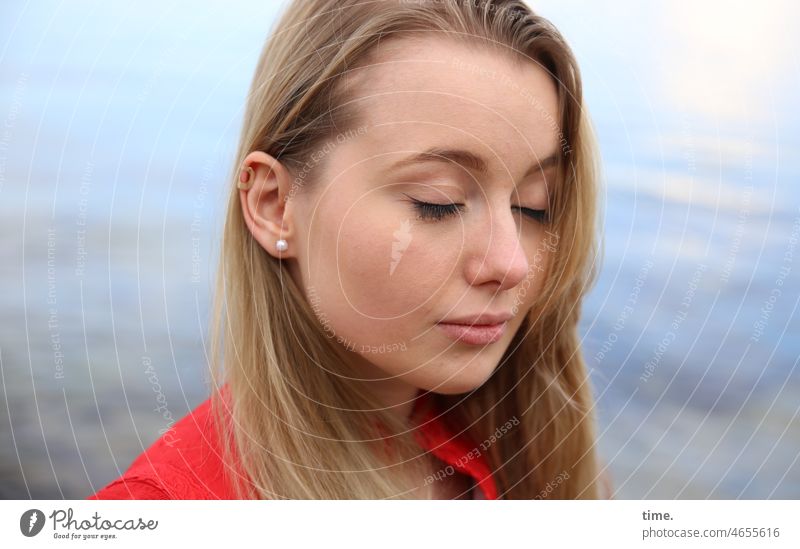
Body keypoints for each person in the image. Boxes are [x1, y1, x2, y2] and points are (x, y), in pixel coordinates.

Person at [89, 0, 610, 500]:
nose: (512, 264)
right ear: (275, 205)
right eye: (439, 202)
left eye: (535, 206)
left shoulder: (522, 451)